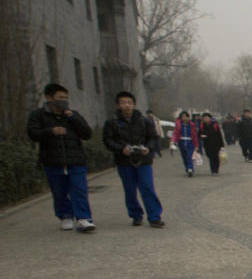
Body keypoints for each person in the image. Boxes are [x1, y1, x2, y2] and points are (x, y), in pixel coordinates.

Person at [26, 83, 96, 232]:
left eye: (65, 98)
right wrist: (50, 131)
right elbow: (33, 134)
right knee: (59, 191)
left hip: (75, 159)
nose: (63, 101)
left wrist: (73, 117)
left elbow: (87, 134)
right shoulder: (38, 115)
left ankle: (83, 218)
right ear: (49, 98)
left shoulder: (72, 114)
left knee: (79, 190)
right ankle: (65, 215)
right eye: (60, 98)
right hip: (52, 160)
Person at [102, 91, 164, 228]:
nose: (126, 106)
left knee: (147, 187)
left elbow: (153, 137)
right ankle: (136, 215)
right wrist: (121, 149)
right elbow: (107, 140)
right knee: (129, 189)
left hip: (143, 160)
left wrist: (148, 148)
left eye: (129, 103)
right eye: (123, 103)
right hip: (124, 161)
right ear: (118, 105)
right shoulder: (112, 123)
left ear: (134, 104)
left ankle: (154, 216)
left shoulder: (145, 121)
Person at [172, 110, 199, 176]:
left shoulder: (191, 125)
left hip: (190, 142)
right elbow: (175, 133)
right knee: (184, 157)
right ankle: (187, 168)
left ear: (188, 117)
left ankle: (190, 168)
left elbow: (195, 136)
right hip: (181, 142)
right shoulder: (178, 125)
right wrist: (173, 141)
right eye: (182, 117)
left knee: (189, 156)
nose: (184, 118)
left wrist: (196, 145)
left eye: (185, 116)